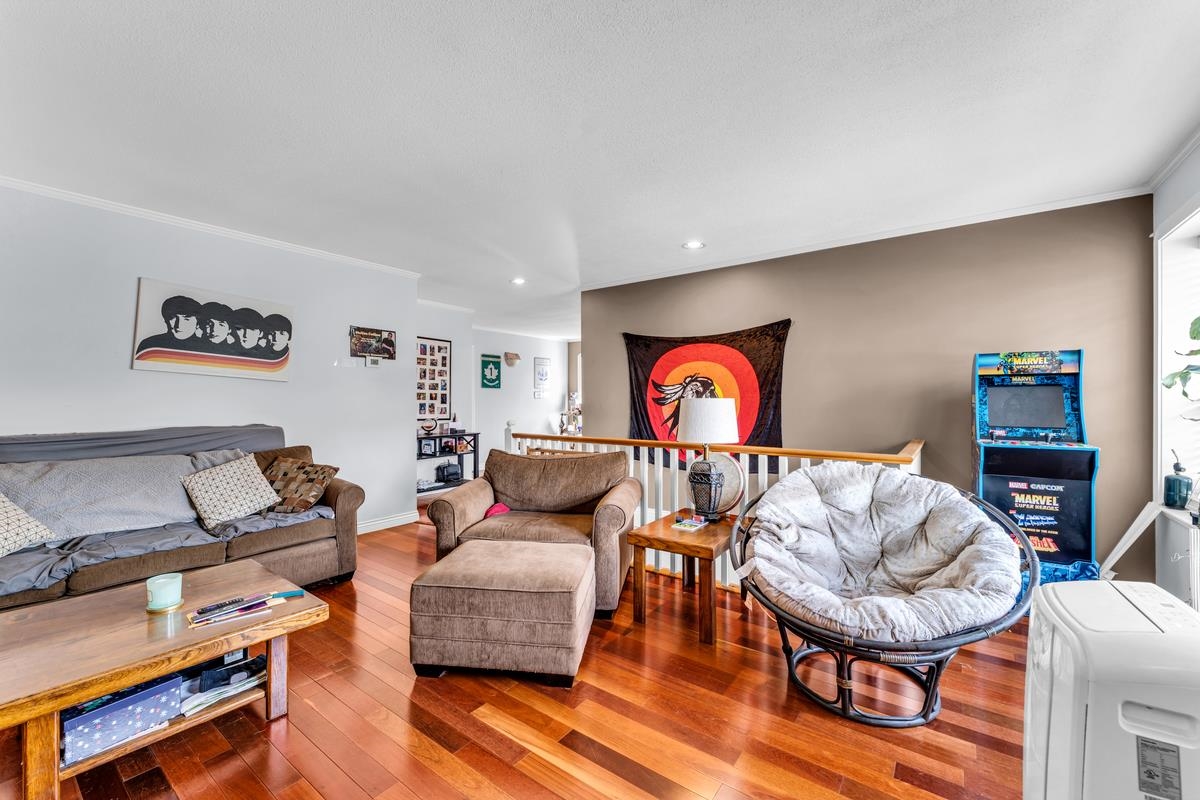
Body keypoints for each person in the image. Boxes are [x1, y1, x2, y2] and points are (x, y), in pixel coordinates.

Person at [135, 295, 204, 354]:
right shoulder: (150, 345)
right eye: (173, 318)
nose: (178, 326)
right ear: (166, 320)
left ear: (198, 323)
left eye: (186, 319)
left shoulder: (206, 348)